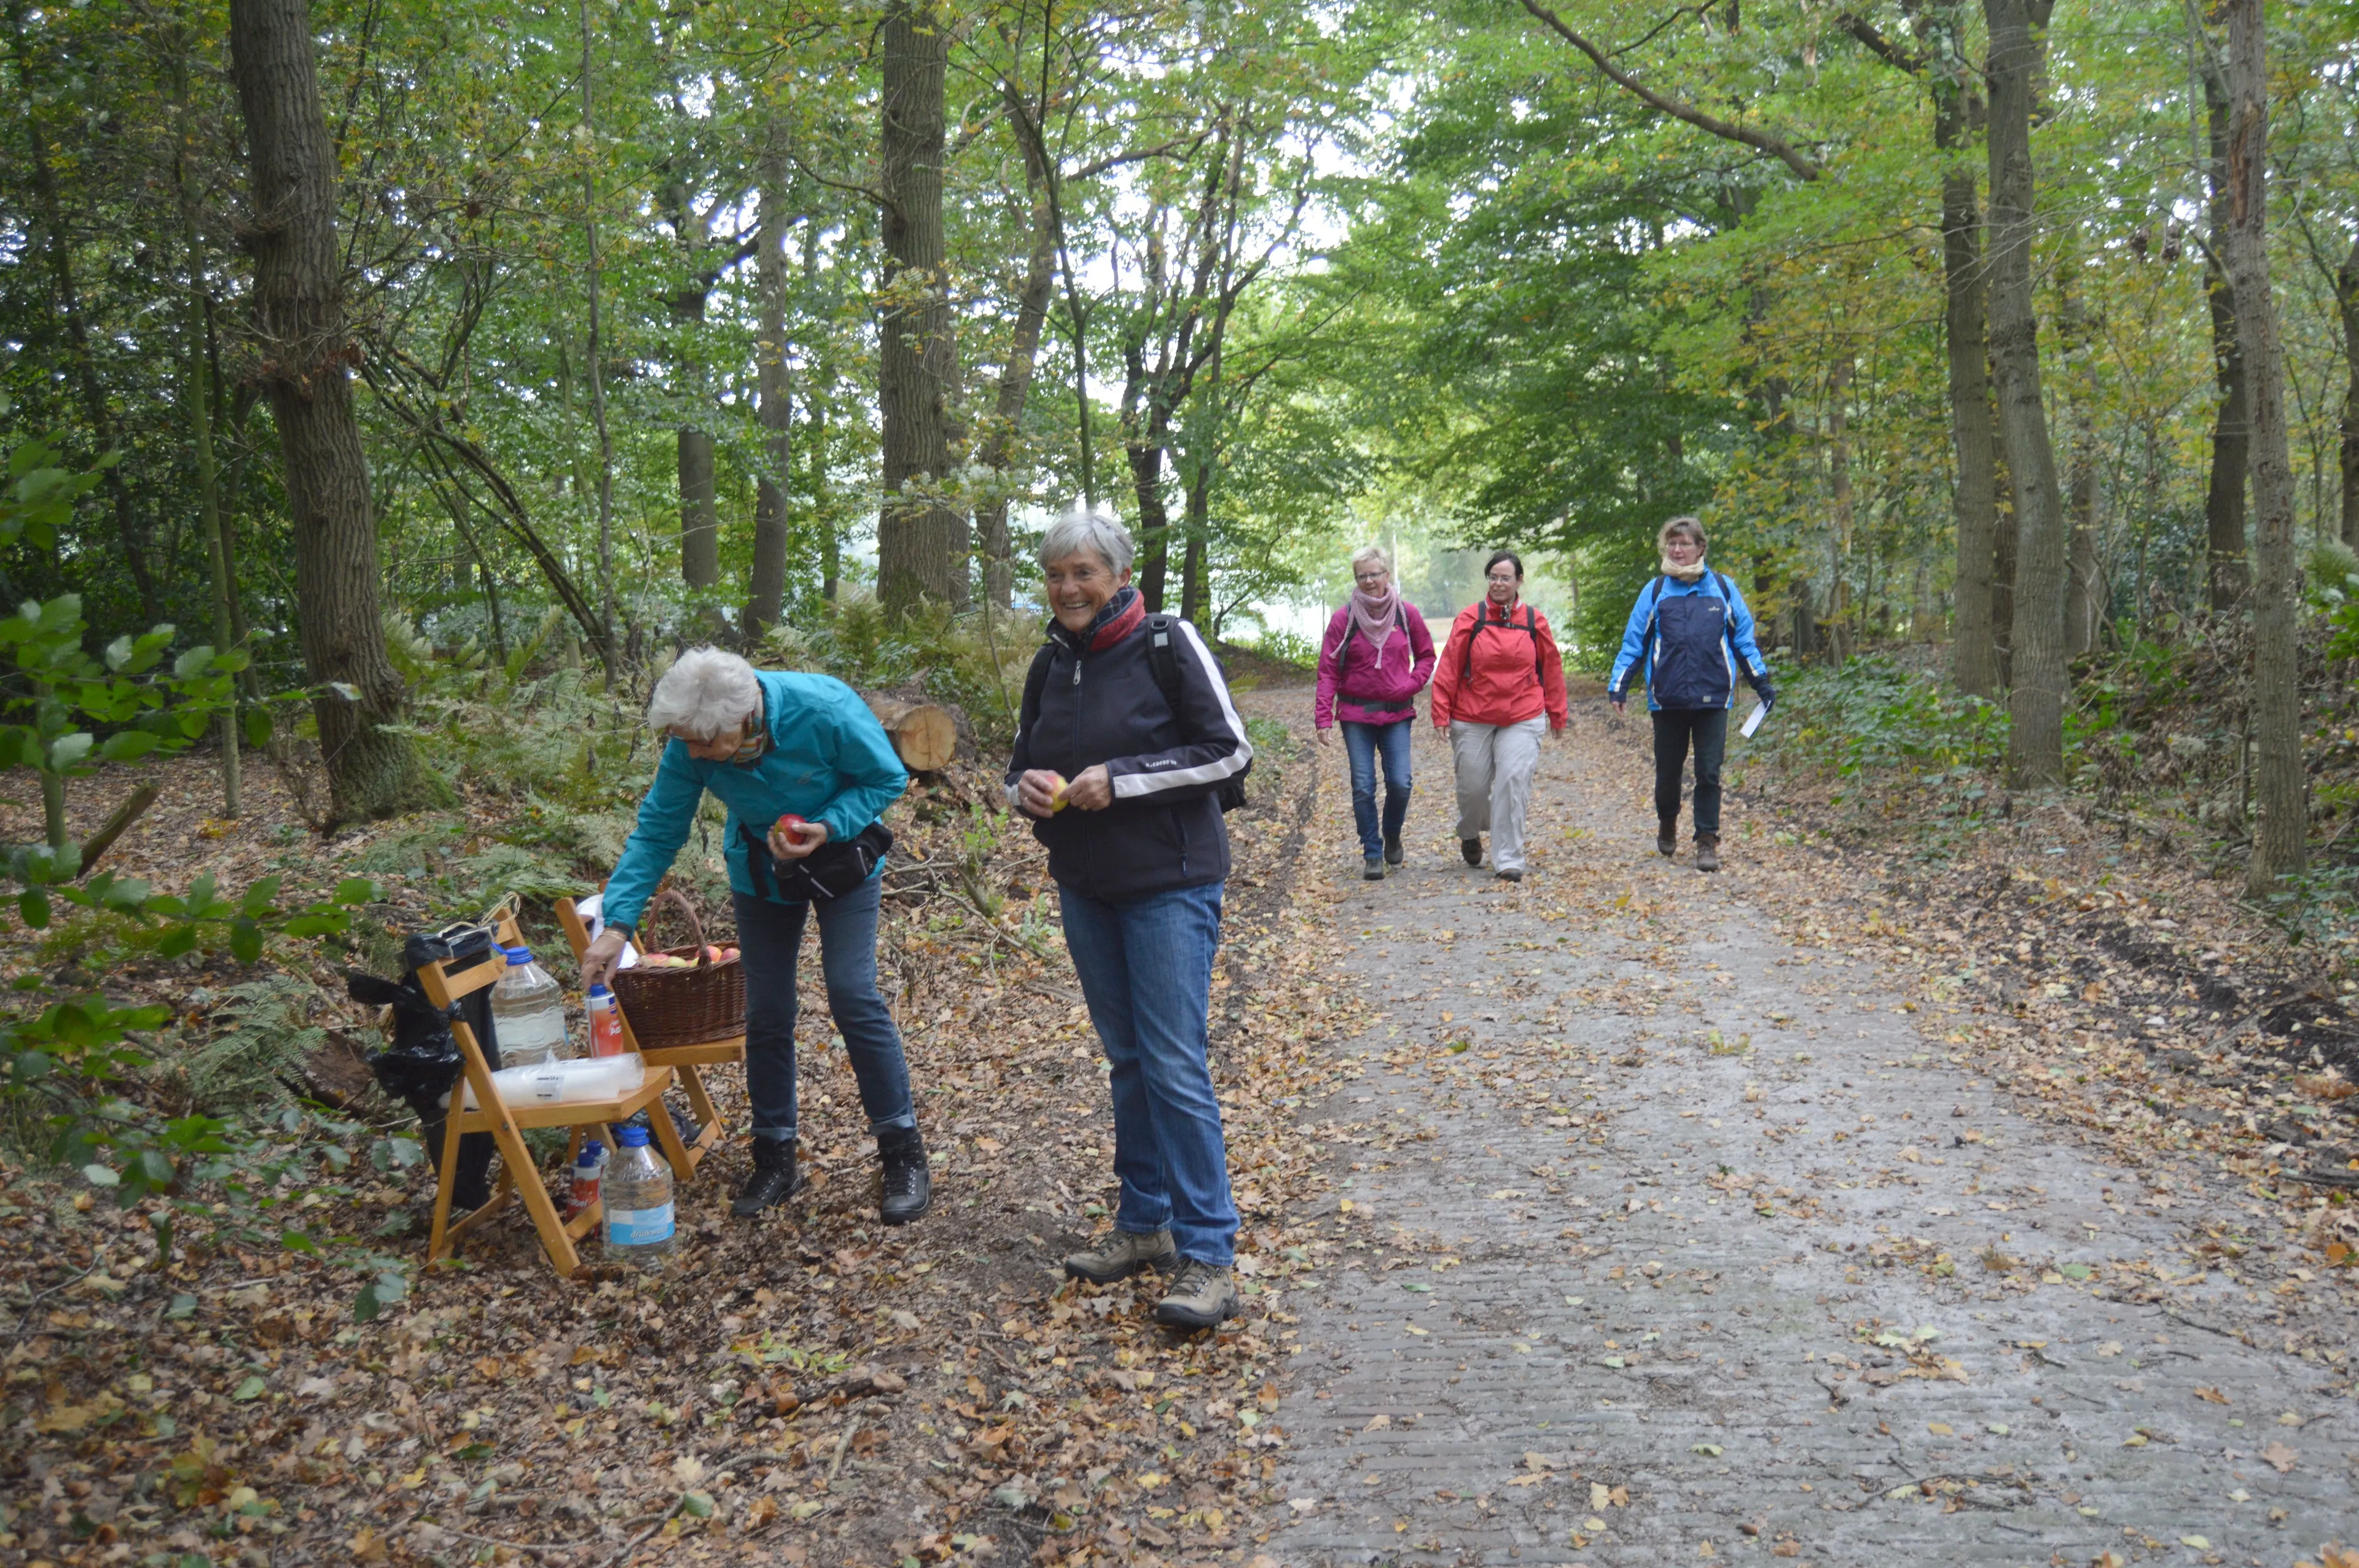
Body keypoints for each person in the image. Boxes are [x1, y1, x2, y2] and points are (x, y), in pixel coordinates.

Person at [581, 648, 932, 1225]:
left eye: (702, 742)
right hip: (761, 871)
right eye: (684, 741)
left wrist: (828, 825)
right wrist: (617, 924)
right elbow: (657, 832)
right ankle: (774, 1156)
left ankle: (902, 1153)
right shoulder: (692, 738)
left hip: (843, 862)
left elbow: (887, 776)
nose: (691, 753)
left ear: (742, 720)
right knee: (767, 1010)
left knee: (852, 992)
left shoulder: (824, 709)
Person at [1006, 509, 1254, 1329]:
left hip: (1169, 880)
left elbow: (1229, 751)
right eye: (1056, 574)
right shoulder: (1050, 662)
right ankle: (1145, 1223)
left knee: (1174, 1062)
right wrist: (1028, 791)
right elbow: (1016, 771)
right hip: (1086, 883)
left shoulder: (1166, 640)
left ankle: (1210, 1252)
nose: (1069, 588)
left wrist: (1124, 776)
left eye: (1084, 572)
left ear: (1118, 574)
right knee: (1127, 1061)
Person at [1607, 517, 1775, 873]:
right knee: (1668, 772)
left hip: (1713, 697)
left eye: (1684, 544)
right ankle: (1668, 820)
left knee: (1709, 772)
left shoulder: (1723, 590)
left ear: (1701, 548)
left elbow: (1743, 641)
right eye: (1672, 544)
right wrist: (1619, 685)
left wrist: (1761, 682)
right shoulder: (1655, 592)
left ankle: (1706, 840)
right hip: (1666, 699)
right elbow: (1634, 643)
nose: (1677, 550)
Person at [1430, 550, 1568, 883]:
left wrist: (1558, 713)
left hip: (1523, 713)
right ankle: (1470, 832)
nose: (1499, 583)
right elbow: (1448, 665)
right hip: (1473, 713)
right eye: (1493, 576)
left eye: (1506, 577)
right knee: (1474, 788)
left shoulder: (1535, 621)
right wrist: (1441, 713)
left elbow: (1551, 667)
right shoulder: (1471, 618)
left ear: (1519, 581)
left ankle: (1508, 859)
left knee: (1512, 781)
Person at [1315, 546, 1437, 880]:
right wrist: (1323, 717)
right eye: (1362, 575)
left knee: (1401, 783)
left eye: (1374, 574)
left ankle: (1392, 834)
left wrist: (1411, 685)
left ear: (1387, 575)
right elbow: (1328, 670)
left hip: (1397, 714)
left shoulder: (1405, 614)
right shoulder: (1344, 619)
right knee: (1363, 786)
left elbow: (1427, 656)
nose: (1369, 581)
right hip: (1356, 715)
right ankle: (1372, 853)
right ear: (1356, 579)